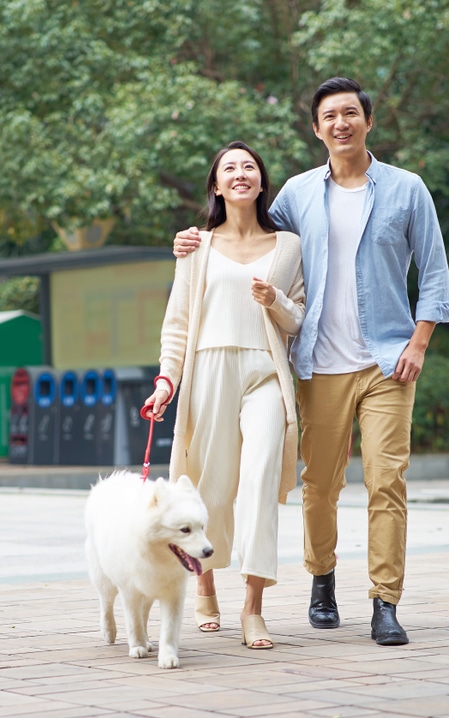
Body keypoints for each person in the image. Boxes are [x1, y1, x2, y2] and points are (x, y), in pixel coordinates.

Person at [174, 77, 449, 646]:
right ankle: (321, 576)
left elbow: (435, 273)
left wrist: (418, 344)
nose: (341, 123)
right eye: (330, 116)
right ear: (317, 127)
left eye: (351, 113)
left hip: (387, 362)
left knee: (386, 481)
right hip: (317, 364)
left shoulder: (406, 189)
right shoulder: (298, 195)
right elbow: (246, 231)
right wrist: (192, 240)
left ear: (368, 121)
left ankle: (384, 601)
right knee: (320, 487)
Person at [143, 140, 305, 650]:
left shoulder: (289, 246)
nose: (240, 174)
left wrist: (274, 299)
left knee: (257, 483)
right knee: (208, 486)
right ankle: (205, 582)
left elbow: (298, 319)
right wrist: (167, 379)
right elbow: (177, 324)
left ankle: (254, 607)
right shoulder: (196, 247)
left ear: (261, 182)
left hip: (264, 372)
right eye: (229, 168)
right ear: (216, 185)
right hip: (208, 369)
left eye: (249, 167)